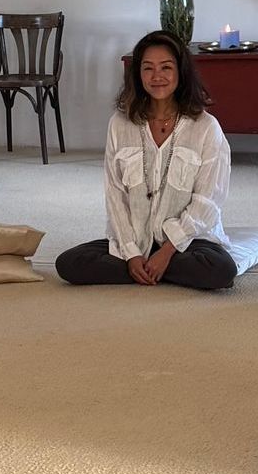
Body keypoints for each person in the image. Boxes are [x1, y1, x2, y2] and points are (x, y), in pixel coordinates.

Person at [56, 31, 236, 290]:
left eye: (166, 68)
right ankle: (146, 267)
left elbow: (208, 201)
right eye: (148, 68)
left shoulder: (206, 127)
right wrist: (131, 253)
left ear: (181, 72)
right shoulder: (120, 123)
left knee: (220, 270)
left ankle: (155, 266)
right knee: (70, 263)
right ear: (138, 75)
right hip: (138, 237)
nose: (157, 76)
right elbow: (115, 196)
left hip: (187, 241)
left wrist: (166, 251)